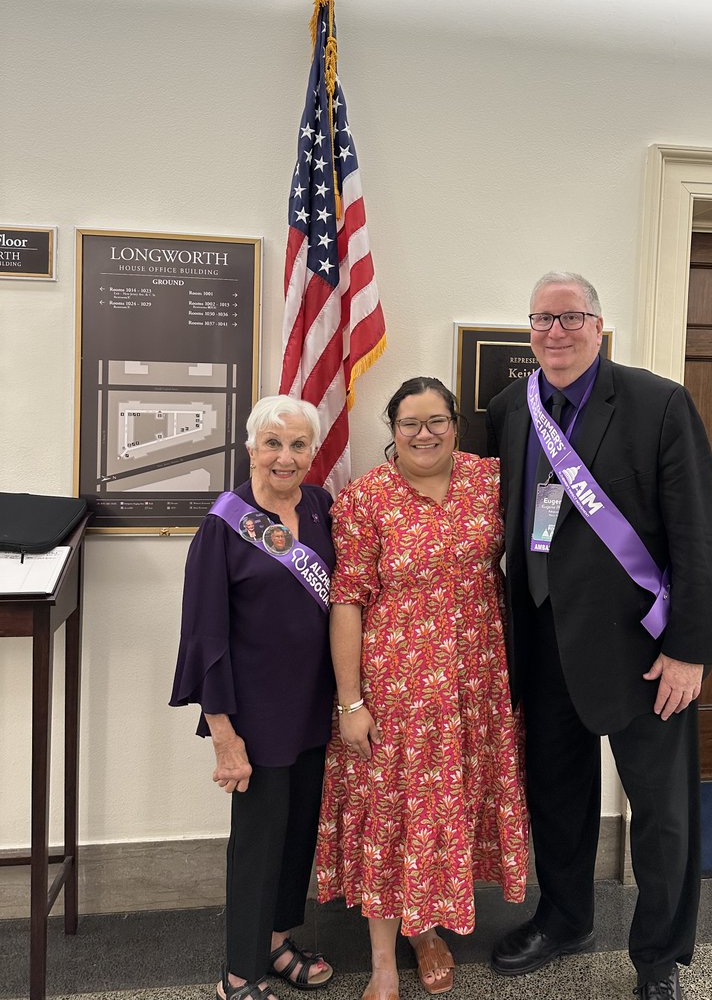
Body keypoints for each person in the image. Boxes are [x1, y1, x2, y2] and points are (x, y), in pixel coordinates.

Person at [486, 272, 712, 1000]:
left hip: (643, 652)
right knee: (557, 795)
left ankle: (659, 959)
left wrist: (689, 649)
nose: (554, 332)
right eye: (541, 320)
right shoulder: (508, 410)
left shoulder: (657, 403)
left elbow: (700, 536)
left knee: (660, 812)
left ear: (598, 324)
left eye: (569, 318)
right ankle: (564, 920)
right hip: (543, 639)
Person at [316, 377, 529, 1000]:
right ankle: (385, 959)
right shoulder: (364, 500)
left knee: (447, 811)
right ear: (392, 430)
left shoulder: (489, 481)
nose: (424, 434)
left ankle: (428, 930)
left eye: (436, 420)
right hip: (396, 687)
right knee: (391, 817)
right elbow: (348, 601)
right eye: (409, 423)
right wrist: (350, 702)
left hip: (476, 682)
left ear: (456, 424)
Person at [170, 395, 336, 1000]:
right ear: (250, 449)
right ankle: (239, 969)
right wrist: (224, 736)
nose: (284, 457)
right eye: (272, 443)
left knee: (297, 836)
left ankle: (276, 941)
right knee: (259, 841)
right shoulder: (223, 525)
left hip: (315, 708)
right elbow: (203, 636)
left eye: (297, 445)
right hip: (257, 717)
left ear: (313, 453)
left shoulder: (319, 507)